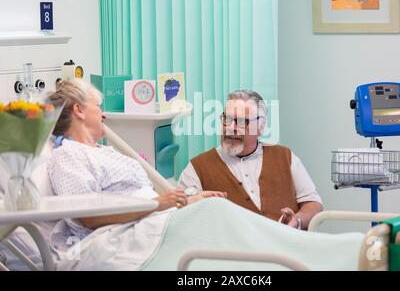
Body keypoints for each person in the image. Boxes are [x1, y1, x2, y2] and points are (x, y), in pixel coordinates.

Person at [45, 79, 226, 258]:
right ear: (79, 110)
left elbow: (145, 198)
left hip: (150, 223)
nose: (104, 114)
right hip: (125, 238)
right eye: (99, 106)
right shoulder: (68, 155)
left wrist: (185, 202)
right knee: (220, 233)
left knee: (217, 212)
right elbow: (87, 218)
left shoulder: (104, 151)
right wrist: (157, 204)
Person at [179, 90, 323, 230]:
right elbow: (179, 215)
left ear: (260, 127)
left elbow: (313, 204)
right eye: (227, 119)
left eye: (242, 122)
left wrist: (297, 221)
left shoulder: (285, 156)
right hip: (233, 253)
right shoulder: (197, 168)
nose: (231, 128)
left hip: (286, 249)